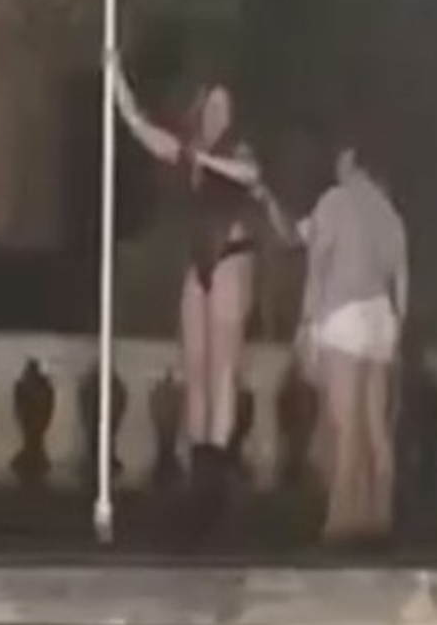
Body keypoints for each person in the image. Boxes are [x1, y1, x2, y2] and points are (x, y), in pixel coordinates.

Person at [107, 51, 262, 529]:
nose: (217, 114)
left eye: (224, 107)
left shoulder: (237, 149)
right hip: (199, 260)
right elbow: (149, 135)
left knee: (223, 367)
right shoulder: (190, 149)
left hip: (232, 254)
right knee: (194, 364)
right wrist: (120, 89)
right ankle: (198, 464)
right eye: (211, 105)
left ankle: (216, 470)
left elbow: (249, 175)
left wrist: (202, 158)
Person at [258, 139, 409, 543]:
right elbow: (401, 279)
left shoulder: (335, 201)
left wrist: (307, 322)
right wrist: (397, 333)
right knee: (375, 426)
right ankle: (379, 513)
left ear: (351, 161)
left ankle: (343, 516)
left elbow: (313, 259)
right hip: (381, 318)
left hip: (343, 316)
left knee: (343, 422)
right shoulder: (387, 211)